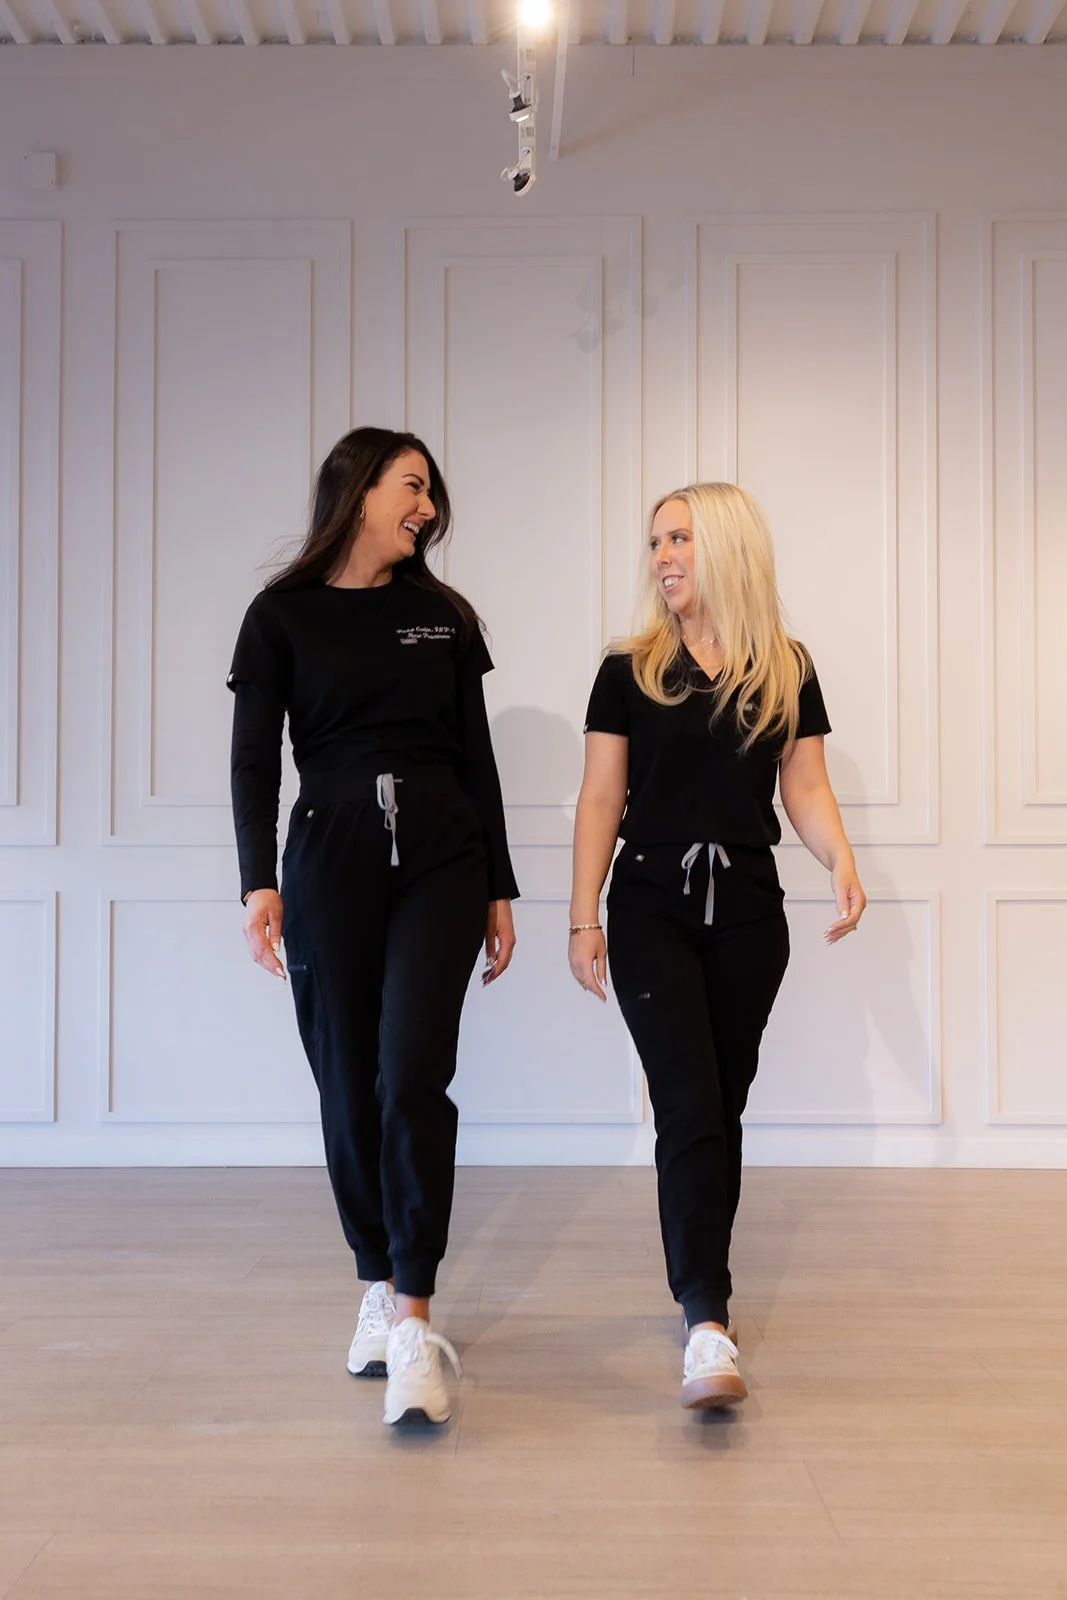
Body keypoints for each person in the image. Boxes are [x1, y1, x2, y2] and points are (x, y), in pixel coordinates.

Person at [228, 427, 518, 1428]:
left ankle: (411, 1314)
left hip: (442, 853)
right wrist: (254, 883)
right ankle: (374, 1272)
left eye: (431, 494)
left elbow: (476, 757)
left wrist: (499, 888)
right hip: (328, 855)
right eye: (411, 487)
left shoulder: (441, 617)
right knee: (346, 1078)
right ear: (355, 491)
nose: (427, 508)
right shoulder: (280, 617)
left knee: (410, 1073)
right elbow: (254, 759)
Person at [568, 482, 865, 1411]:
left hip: (747, 911)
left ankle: (704, 1294)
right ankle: (706, 1320)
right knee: (689, 1103)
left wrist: (840, 859)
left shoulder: (784, 665)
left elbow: (804, 790)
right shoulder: (628, 669)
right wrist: (585, 916)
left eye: (680, 539)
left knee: (718, 1110)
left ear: (727, 548)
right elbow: (599, 799)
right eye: (655, 540)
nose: (661, 557)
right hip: (652, 902)